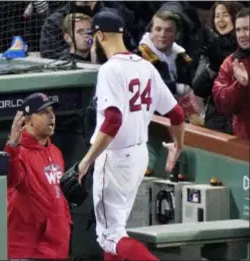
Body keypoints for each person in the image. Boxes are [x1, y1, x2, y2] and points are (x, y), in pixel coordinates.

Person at [77, 10, 185, 261]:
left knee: (108, 236)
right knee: (117, 230)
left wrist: (86, 161)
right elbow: (177, 114)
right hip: (138, 155)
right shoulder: (145, 66)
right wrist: (177, 146)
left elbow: (113, 121)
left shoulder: (109, 70)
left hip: (114, 157)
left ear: (100, 35)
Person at [4, 93, 72, 260]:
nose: (51, 116)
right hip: (27, 249)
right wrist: (12, 147)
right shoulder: (18, 152)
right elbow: (10, 180)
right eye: (43, 112)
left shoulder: (56, 152)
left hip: (57, 247)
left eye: (52, 111)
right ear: (28, 120)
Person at [192, 1, 243, 134]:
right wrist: (214, 66)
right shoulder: (210, 47)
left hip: (241, 122)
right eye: (217, 16)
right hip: (214, 119)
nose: (220, 20)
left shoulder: (244, 47)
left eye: (225, 15)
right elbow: (198, 89)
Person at [212, 7, 250, 140]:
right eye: (239, 30)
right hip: (244, 139)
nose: (242, 35)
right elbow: (221, 103)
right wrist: (239, 86)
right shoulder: (230, 63)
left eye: (247, 29)